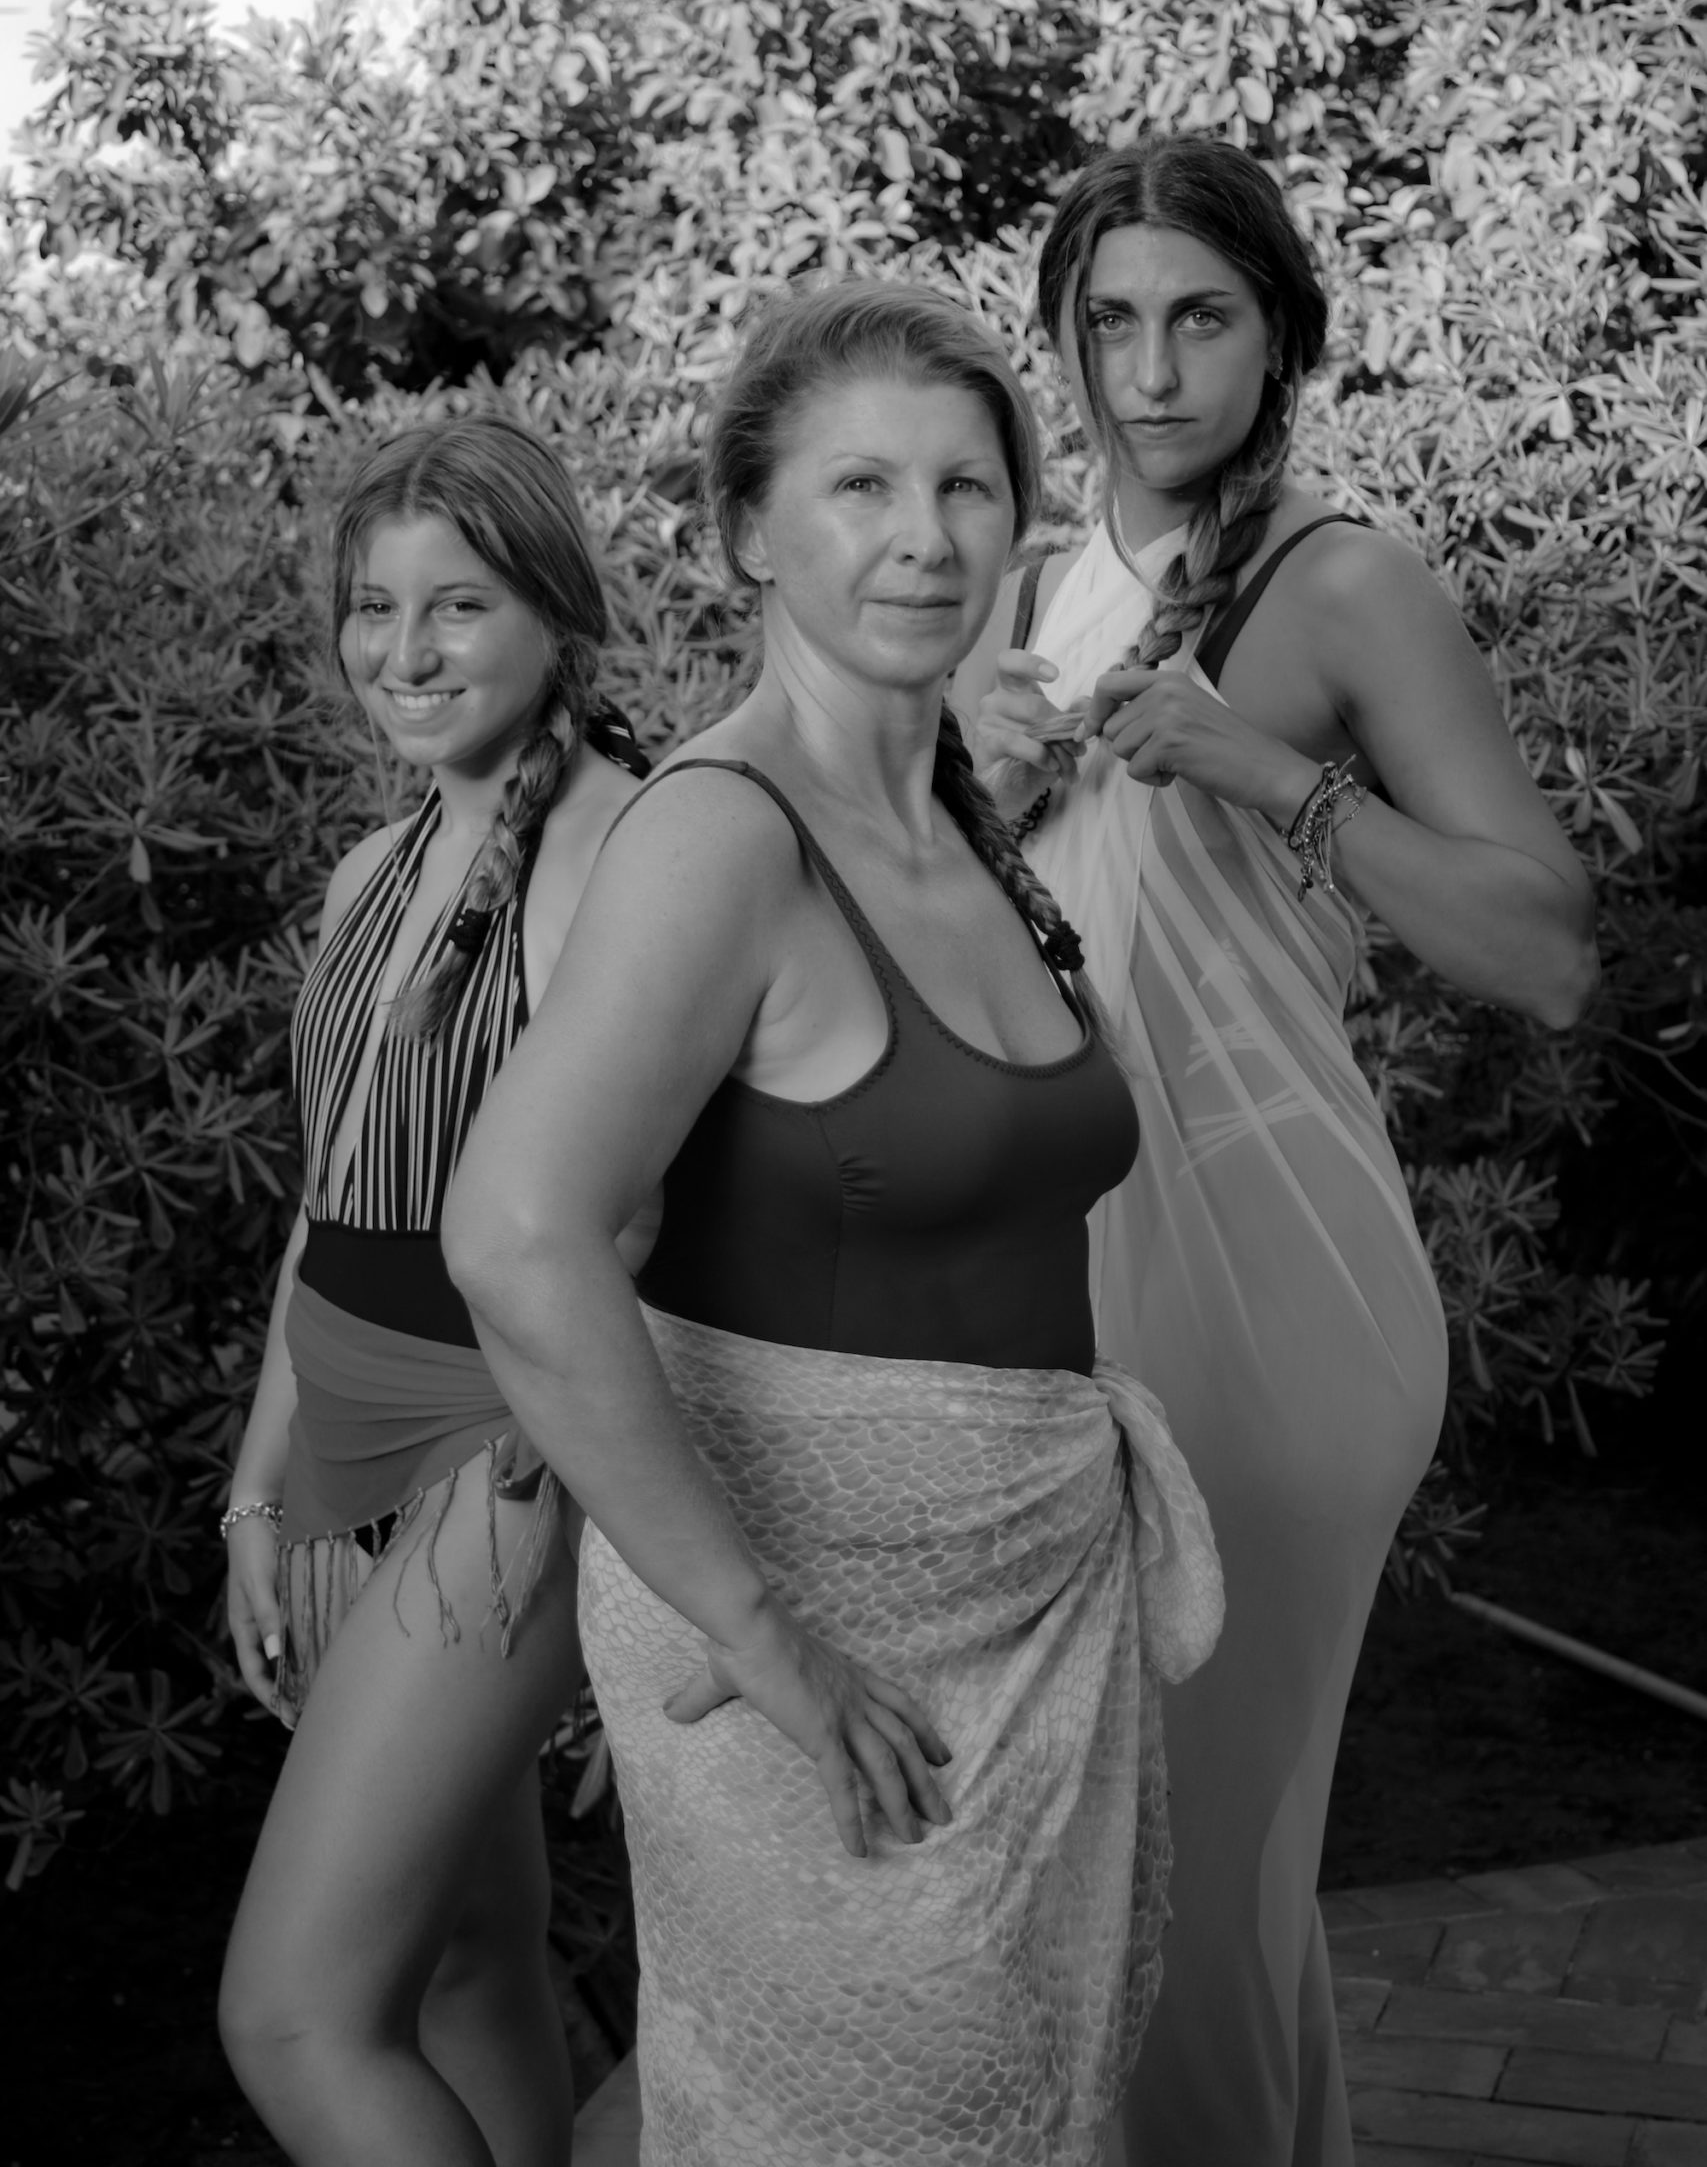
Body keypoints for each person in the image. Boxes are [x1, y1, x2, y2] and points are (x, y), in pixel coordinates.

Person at [443, 281, 1223, 2167]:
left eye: (968, 486)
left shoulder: (968, 822)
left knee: (1035, 2113)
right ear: (749, 531)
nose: (924, 536)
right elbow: (519, 1236)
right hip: (818, 1656)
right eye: (862, 485)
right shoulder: (724, 836)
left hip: (1028, 1608)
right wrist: (760, 1632)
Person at [957, 134, 1599, 2167]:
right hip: (1050, 1297)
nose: (1150, 371)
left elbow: (1545, 953)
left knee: (1180, 1884)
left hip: (1269, 1291)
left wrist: (1268, 773)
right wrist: (960, 802)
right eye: (1109, 322)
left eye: (1201, 318)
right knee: (1145, 1883)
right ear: (1061, 343)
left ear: (1280, 337)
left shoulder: (1342, 581)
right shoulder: (1019, 597)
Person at [217, 416, 652, 2167]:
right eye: (373, 608)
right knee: (466, 1946)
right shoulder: (371, 871)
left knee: (292, 2017)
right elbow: (331, 1207)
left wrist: (607, 1522)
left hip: (499, 1450)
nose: (404, 653)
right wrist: (259, 1485)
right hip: (342, 1443)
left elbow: (654, 1228)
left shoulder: (628, 855)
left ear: (557, 608)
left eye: (458, 604)